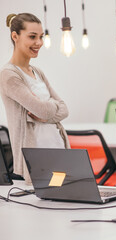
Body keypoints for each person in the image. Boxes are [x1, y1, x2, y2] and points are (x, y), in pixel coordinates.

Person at [0, 13, 70, 183]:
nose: (39, 43)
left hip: (58, 148)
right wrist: (50, 109)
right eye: (32, 37)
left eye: (41, 37)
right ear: (15, 36)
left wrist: (47, 110)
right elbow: (43, 110)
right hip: (37, 157)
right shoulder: (9, 75)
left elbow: (64, 109)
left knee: (64, 202)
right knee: (48, 203)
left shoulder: (37, 72)